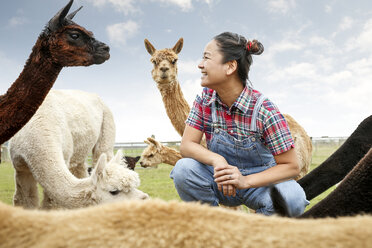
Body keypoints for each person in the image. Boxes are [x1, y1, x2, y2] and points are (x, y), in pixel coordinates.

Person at [170, 31, 309, 216]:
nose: (200, 64)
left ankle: (255, 236)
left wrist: (246, 181)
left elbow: (292, 166)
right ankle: (215, 230)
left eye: (206, 58)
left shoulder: (265, 110)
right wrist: (218, 161)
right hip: (220, 180)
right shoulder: (204, 100)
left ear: (230, 67)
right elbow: (187, 146)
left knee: (293, 198)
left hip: (260, 185)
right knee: (183, 170)